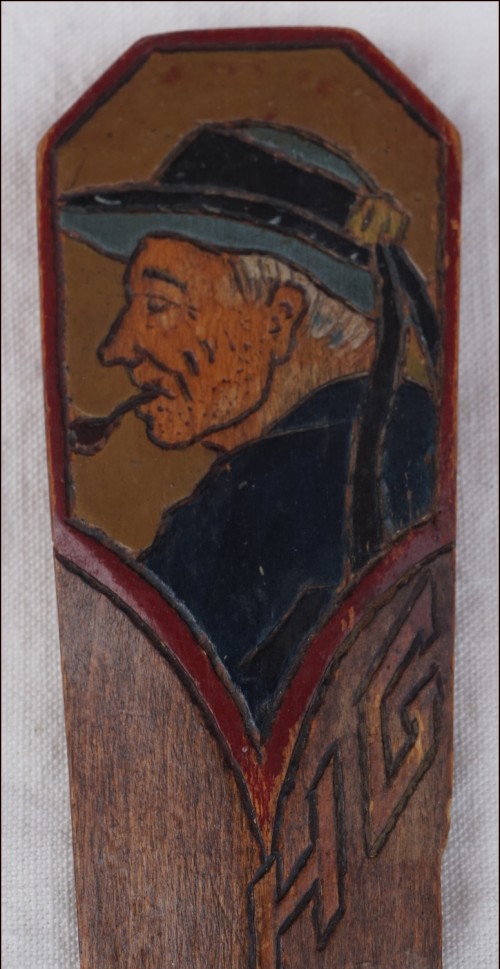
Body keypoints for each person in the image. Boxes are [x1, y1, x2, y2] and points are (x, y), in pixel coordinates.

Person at [60, 122, 439, 734]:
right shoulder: (418, 451)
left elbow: (117, 722)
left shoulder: (253, 507)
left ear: (280, 319)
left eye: (158, 305)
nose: (117, 348)